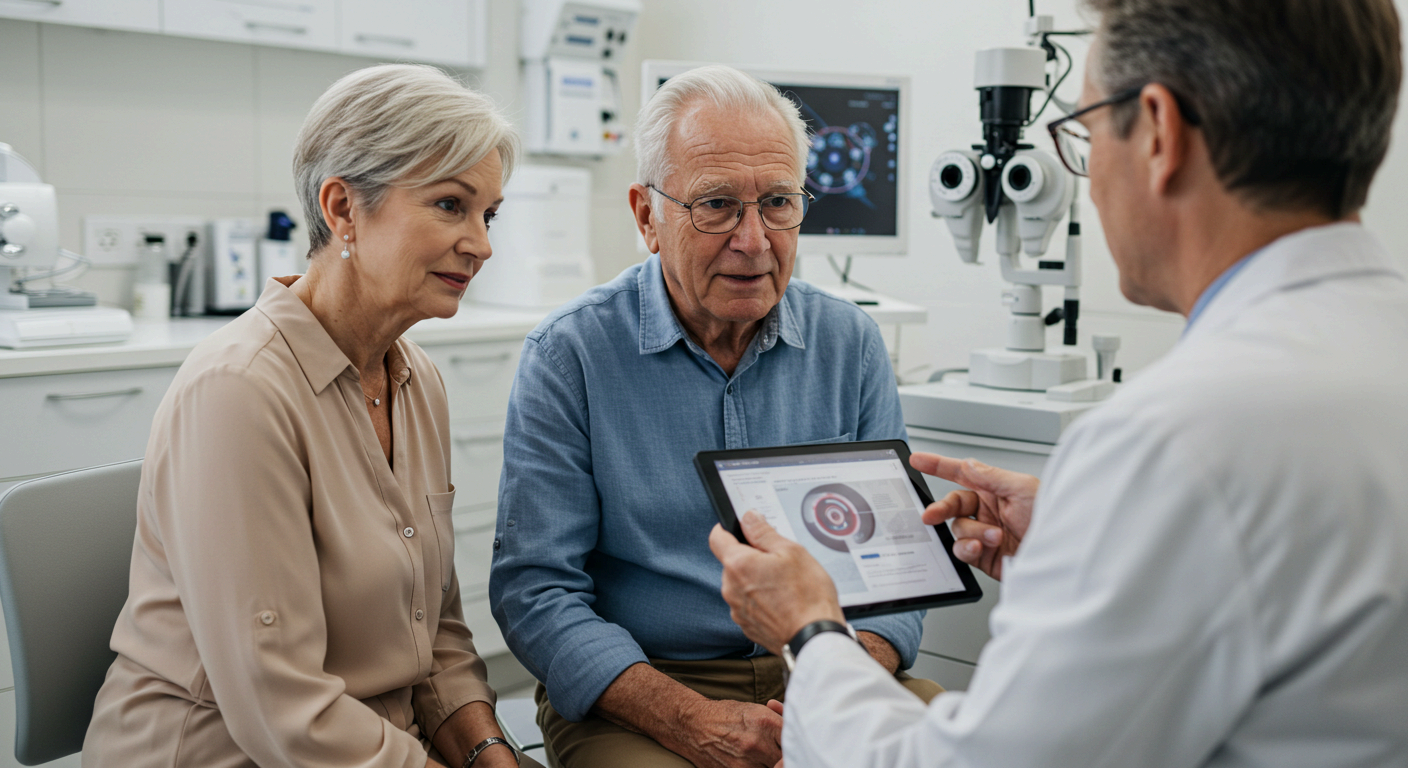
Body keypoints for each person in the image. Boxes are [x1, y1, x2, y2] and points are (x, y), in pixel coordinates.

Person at [709, 0, 1408, 766]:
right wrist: (1093, 538)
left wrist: (811, 630)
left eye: (1081, 132)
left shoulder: (1174, 441)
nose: (1092, 182)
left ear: (1158, 132)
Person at [83, 64, 540, 768]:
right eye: (451, 205)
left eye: (489, 214)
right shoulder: (239, 391)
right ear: (342, 208)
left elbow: (437, 634)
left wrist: (487, 752)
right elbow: (282, 709)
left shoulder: (419, 383)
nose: (481, 242)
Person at [489, 65, 936, 768]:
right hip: (648, 685)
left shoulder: (850, 344)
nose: (754, 240)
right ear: (647, 216)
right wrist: (689, 719)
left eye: (779, 202)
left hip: (825, 661)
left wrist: (840, 682)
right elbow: (536, 588)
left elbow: (900, 571)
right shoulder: (571, 354)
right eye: (718, 204)